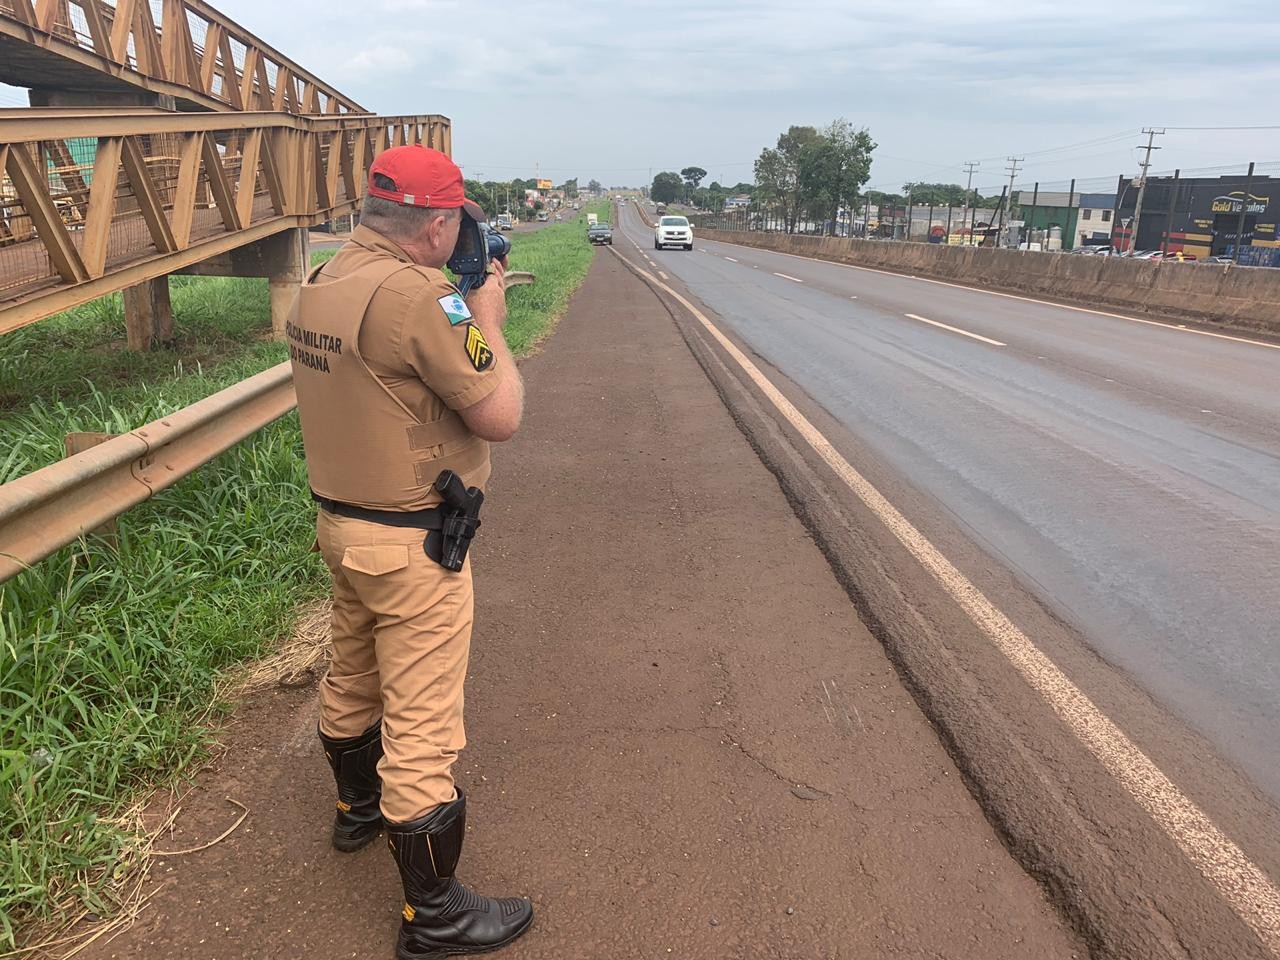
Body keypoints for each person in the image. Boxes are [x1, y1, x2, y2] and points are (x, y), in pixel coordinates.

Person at [286, 144, 531, 959]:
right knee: (424, 726)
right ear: (433, 223)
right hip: (413, 545)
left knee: (352, 674)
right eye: (453, 222)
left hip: (342, 528)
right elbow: (497, 413)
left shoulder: (323, 282)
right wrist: (486, 318)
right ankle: (436, 917)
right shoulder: (425, 297)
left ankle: (356, 813)